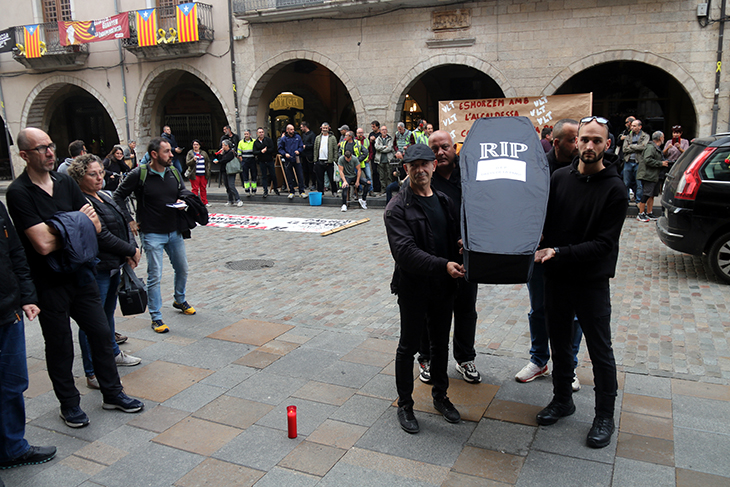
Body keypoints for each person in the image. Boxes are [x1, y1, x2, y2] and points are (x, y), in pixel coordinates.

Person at [7, 127, 144, 428]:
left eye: (50, 145)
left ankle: (113, 393)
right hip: (49, 282)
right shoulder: (19, 192)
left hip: (81, 275)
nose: (49, 152)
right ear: (24, 155)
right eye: (41, 148)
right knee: (59, 346)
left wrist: (64, 228)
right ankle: (69, 405)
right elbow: (41, 244)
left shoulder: (65, 182)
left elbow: (91, 228)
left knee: (100, 333)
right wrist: (76, 225)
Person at [534, 116, 628, 449]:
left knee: (600, 350)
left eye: (596, 141)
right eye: (583, 140)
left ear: (607, 145)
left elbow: (604, 244)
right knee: (559, 344)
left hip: (591, 281)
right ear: (575, 142)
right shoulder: (560, 178)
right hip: (557, 279)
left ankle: (604, 416)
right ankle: (562, 400)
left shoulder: (615, 189)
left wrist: (557, 250)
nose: (588, 146)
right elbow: (542, 221)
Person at [384, 144, 465, 434]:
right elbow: (404, 252)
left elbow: (456, 233)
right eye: (413, 165)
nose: (420, 170)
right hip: (414, 287)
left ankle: (440, 396)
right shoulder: (397, 207)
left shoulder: (444, 200)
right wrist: (443, 264)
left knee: (440, 344)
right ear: (406, 169)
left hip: (444, 286)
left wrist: (460, 246)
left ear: (433, 166)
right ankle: (405, 404)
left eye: (424, 164)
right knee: (408, 346)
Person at [516, 119, 584, 390]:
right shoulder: (537, 167)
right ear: (556, 143)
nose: (578, 145)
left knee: (574, 314)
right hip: (539, 255)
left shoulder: (584, 169)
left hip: (570, 253)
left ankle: (569, 366)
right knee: (539, 309)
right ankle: (539, 359)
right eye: (572, 140)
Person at [68, 155, 143, 390]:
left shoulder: (104, 195)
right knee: (92, 321)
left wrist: (131, 249)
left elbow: (123, 221)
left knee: (108, 314)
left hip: (113, 265)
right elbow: (100, 236)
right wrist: (130, 249)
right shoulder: (81, 202)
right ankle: (92, 371)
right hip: (97, 268)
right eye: (92, 174)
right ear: (80, 177)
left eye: (100, 172)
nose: (99, 177)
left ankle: (112, 353)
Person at [114, 137, 196, 334]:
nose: (171, 155)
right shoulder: (139, 174)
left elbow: (182, 191)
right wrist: (129, 219)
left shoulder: (173, 172)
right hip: (152, 233)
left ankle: (179, 299)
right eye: (167, 151)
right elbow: (118, 196)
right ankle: (156, 317)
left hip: (174, 230)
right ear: (154, 154)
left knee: (182, 268)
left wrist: (183, 201)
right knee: (155, 275)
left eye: (170, 151)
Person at [417, 130, 481, 384]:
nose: (440, 153)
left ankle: (465, 358)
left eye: (444, 147)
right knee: (430, 310)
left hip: (467, 256)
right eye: (434, 149)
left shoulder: (469, 177)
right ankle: (427, 357)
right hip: (436, 259)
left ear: (454, 148)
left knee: (466, 309)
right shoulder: (425, 180)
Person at [0, 200, 57, 469]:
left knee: (13, 383)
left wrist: (26, 295)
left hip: (8, 313)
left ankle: (12, 448)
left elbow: (15, 254)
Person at [636, 131, 669, 222]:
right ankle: (641, 213)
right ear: (660, 138)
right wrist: (660, 163)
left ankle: (649, 212)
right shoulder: (651, 147)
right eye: (663, 137)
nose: (664, 139)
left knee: (652, 195)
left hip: (654, 175)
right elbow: (647, 160)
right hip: (647, 175)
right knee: (646, 194)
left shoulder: (656, 148)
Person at [622, 119, 648, 202]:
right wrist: (637, 146)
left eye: (634, 126)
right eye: (631, 126)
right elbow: (624, 149)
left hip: (638, 162)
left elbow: (643, 147)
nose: (632, 127)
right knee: (626, 183)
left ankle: (638, 201)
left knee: (639, 183)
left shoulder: (645, 136)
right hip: (628, 161)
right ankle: (626, 200)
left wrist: (631, 146)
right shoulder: (628, 136)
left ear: (640, 127)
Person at [278, 124, 307, 199]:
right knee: (289, 176)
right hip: (288, 159)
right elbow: (280, 149)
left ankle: (302, 191)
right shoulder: (284, 139)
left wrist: (299, 151)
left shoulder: (297, 137)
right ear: (287, 130)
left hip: (296, 157)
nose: (292, 131)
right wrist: (285, 154)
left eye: (293, 129)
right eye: (291, 129)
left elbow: (301, 146)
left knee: (300, 175)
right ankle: (291, 191)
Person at [313, 123, 338, 196]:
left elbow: (335, 149)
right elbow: (315, 149)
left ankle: (334, 191)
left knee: (332, 178)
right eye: (323, 128)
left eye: (326, 128)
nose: (324, 129)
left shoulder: (332, 138)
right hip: (319, 160)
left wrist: (334, 160)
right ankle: (320, 192)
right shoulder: (318, 138)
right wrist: (315, 160)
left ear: (329, 128)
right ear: (321, 128)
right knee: (320, 178)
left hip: (329, 161)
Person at [253, 127, 278, 198]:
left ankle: (275, 189)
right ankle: (265, 190)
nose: (261, 134)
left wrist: (266, 151)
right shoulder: (256, 143)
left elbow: (272, 149)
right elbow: (254, 152)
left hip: (269, 160)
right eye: (260, 132)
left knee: (273, 175)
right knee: (264, 176)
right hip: (262, 161)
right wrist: (261, 151)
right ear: (257, 133)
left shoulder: (268, 140)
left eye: (262, 132)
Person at [186, 140, 211, 206]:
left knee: (203, 188)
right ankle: (195, 202)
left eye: (197, 144)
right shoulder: (190, 153)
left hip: (203, 173)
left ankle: (204, 202)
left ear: (199, 145)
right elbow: (187, 163)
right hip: (194, 174)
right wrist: (193, 160)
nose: (196, 146)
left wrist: (208, 170)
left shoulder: (203, 153)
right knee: (195, 189)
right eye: (194, 144)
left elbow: (208, 161)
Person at [219, 139, 242, 207]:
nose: (222, 146)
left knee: (231, 185)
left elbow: (225, 160)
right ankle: (230, 200)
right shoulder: (223, 152)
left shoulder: (231, 152)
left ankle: (238, 199)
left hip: (231, 171)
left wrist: (219, 161)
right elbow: (220, 158)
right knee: (227, 186)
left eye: (223, 145)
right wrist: (220, 154)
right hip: (224, 170)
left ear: (227, 145)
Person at [237, 130, 258, 197]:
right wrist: (242, 160)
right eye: (245, 134)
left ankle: (254, 190)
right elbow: (239, 153)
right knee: (245, 176)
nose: (246, 135)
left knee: (254, 175)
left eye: (247, 134)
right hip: (245, 161)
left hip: (252, 160)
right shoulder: (241, 142)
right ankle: (247, 190)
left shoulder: (254, 141)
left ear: (250, 134)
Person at [300, 122, 316, 191]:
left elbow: (313, 144)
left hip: (310, 155)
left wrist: (305, 146)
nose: (301, 129)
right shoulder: (303, 135)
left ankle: (313, 184)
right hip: (304, 155)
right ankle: (306, 184)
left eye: (301, 127)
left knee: (312, 170)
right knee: (305, 170)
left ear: (305, 127)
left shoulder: (312, 135)